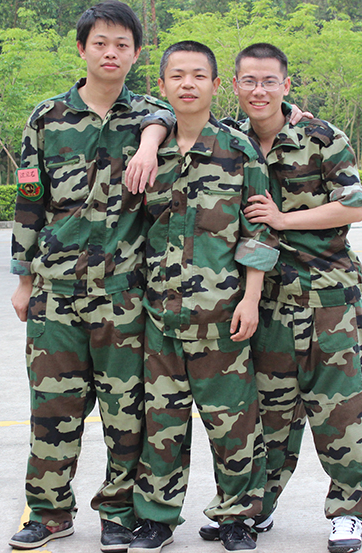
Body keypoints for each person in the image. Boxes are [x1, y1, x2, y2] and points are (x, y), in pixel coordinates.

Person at [8, 0, 170, 552]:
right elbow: (28, 200)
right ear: (82, 48)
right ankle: (49, 512)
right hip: (55, 292)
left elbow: (179, 115)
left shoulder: (149, 115)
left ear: (136, 53)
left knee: (127, 413)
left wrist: (148, 139)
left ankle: (118, 512)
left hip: (122, 294)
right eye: (100, 42)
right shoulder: (47, 118)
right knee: (53, 408)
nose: (110, 53)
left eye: (122, 44)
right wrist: (23, 280)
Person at [127, 41, 279, 553]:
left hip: (221, 318)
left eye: (198, 75)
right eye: (177, 75)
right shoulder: (148, 153)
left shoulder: (239, 151)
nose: (187, 84)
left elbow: (257, 234)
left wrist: (250, 299)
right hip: (160, 317)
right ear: (162, 85)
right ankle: (157, 519)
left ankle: (237, 518)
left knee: (233, 424)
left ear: (216, 86)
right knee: (161, 425)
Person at [235, 42, 362, 553]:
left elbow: (354, 207)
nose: (259, 90)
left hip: (327, 299)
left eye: (269, 81)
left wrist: (283, 219)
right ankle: (259, 507)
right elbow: (167, 111)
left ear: (286, 85)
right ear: (235, 85)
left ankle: (349, 512)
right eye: (249, 81)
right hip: (266, 301)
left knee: (340, 411)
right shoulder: (230, 141)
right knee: (269, 416)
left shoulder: (322, 138)